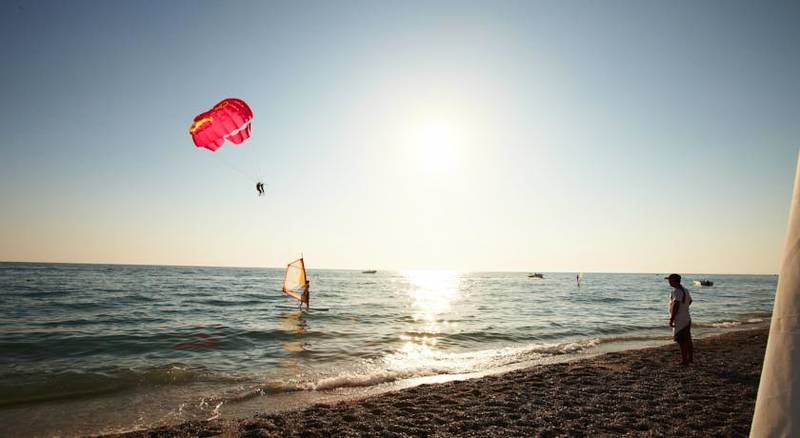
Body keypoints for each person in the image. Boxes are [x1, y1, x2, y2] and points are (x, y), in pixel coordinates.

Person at [665, 273, 693, 365]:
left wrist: (671, 319)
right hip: (686, 317)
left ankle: (685, 360)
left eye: (669, 280)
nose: (668, 281)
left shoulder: (676, 291)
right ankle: (690, 358)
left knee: (681, 340)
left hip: (680, 318)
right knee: (687, 338)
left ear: (674, 281)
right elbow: (690, 301)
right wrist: (684, 308)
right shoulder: (685, 290)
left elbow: (675, 306)